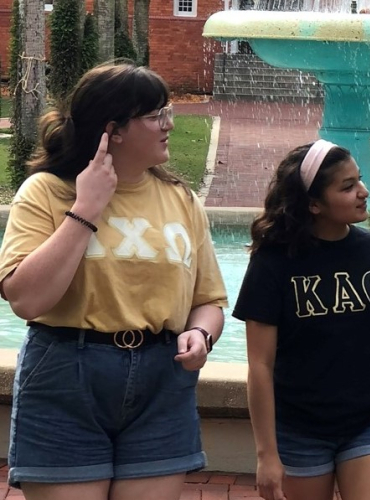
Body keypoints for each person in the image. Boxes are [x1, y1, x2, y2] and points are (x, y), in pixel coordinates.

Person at [0, 62, 228, 499]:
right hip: (67, 375)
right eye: (156, 114)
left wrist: (201, 333)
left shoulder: (182, 200)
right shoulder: (46, 191)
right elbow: (26, 300)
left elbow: (209, 299)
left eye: (167, 111)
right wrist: (86, 207)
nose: (169, 123)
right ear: (113, 129)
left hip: (163, 380)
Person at [232, 139, 370, 500]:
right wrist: (267, 454)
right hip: (298, 428)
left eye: (360, 180)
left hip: (369, 421)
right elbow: (260, 365)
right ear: (313, 203)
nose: (363, 191)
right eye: (348, 186)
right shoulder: (273, 263)